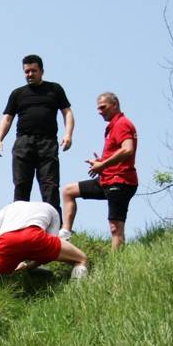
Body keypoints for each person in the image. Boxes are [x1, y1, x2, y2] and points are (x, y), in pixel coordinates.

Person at [0, 54, 74, 212]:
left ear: (42, 71)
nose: (29, 74)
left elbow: (67, 113)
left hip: (48, 143)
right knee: (21, 184)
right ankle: (19, 227)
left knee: (50, 186)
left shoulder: (55, 89)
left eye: (33, 71)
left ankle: (54, 229)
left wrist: (68, 134)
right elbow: (7, 118)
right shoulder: (18, 93)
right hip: (23, 143)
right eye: (26, 71)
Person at [61, 92, 138, 250]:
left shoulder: (122, 124)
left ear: (115, 104)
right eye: (98, 109)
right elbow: (119, 152)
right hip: (106, 180)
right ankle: (64, 235)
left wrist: (102, 165)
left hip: (120, 181)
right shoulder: (112, 126)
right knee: (69, 191)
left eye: (103, 107)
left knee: (115, 228)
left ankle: (117, 265)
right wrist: (101, 162)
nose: (100, 112)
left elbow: (128, 149)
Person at [0, 200, 89, 300]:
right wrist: (30, 266)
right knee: (81, 258)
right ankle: (76, 291)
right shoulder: (52, 210)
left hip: (7, 241)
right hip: (35, 236)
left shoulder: (12, 206)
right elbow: (47, 252)